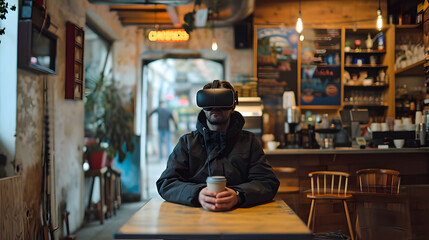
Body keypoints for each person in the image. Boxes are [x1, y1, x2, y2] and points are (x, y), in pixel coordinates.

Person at [157, 80, 279, 211]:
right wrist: (197, 194)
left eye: (222, 101)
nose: (215, 107)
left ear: (233, 106)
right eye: (209, 102)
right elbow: (166, 183)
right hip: (194, 220)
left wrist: (238, 195)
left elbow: (268, 182)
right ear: (203, 107)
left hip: (241, 219)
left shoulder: (249, 142)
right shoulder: (187, 143)